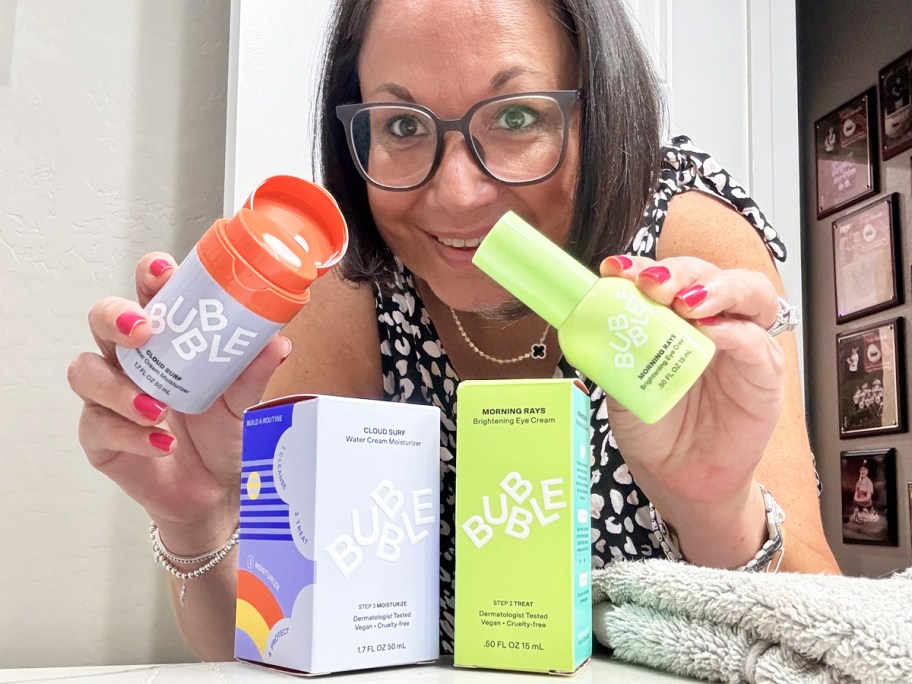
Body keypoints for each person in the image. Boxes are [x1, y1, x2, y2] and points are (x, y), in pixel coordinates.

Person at [67, 0, 840, 661]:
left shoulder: (682, 255)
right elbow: (265, 637)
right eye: (402, 123)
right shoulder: (351, 295)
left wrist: (716, 509)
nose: (458, 192)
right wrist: (199, 517)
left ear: (599, 112)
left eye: (515, 117)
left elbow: (826, 635)